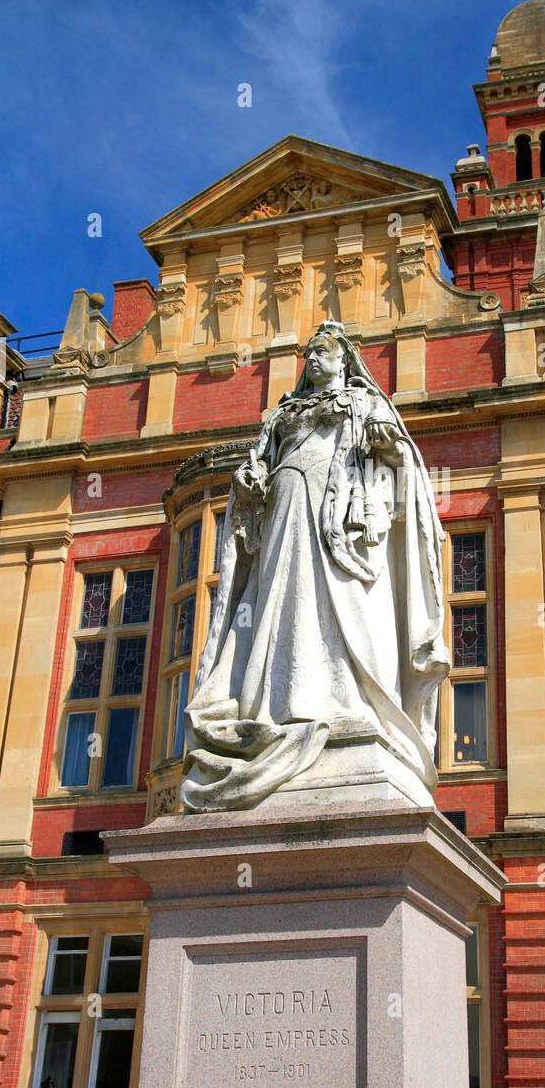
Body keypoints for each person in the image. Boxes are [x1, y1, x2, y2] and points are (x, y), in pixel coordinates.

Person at [180, 319, 449, 812]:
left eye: (323, 351)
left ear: (343, 358)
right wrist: (250, 476)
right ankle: (278, 705)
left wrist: (390, 446)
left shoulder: (365, 403)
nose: (314, 359)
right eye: (310, 353)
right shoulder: (284, 412)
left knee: (342, 604)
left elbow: (399, 460)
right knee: (282, 602)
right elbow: (260, 462)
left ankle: (349, 701)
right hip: (285, 506)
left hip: (342, 518)